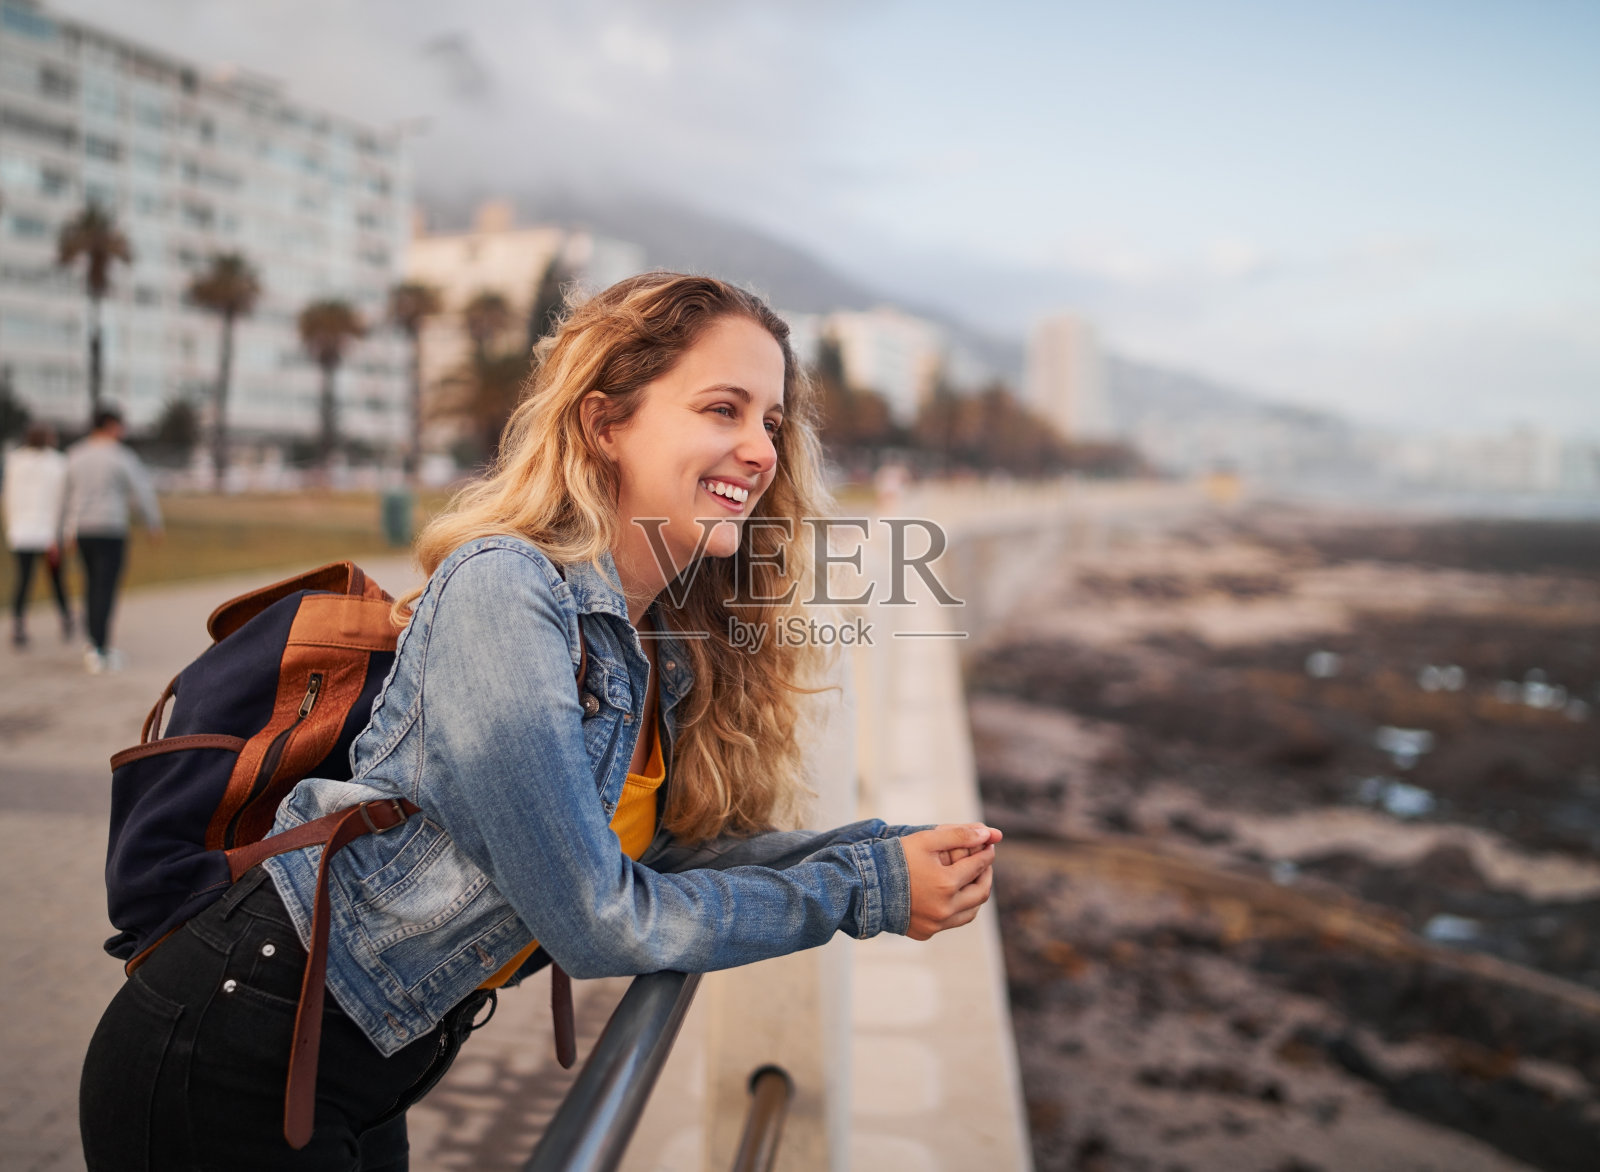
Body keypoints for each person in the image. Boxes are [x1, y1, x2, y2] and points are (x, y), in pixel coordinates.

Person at [79, 273, 1001, 1170]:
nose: (761, 449)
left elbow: (652, 863)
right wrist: (865, 892)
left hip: (358, 1069)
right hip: (230, 1055)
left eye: (770, 420)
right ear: (605, 424)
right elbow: (599, 920)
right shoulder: (505, 591)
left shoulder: (652, 643)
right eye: (723, 409)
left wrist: (880, 849)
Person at [61, 406, 163, 673]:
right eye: (121, 425)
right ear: (110, 425)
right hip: (111, 529)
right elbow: (142, 491)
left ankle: (93, 643)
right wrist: (153, 523)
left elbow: (66, 496)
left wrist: (66, 531)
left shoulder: (74, 454)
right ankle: (100, 649)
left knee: (91, 586)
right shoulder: (121, 456)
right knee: (105, 589)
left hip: (83, 530)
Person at [3, 423, 73, 647]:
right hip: (47, 532)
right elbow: (62, 501)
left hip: (22, 531)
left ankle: (19, 624)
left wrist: (10, 528)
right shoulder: (57, 463)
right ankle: (66, 618)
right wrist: (64, 531)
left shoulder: (15, 461)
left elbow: (8, 497)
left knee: (25, 579)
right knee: (55, 579)